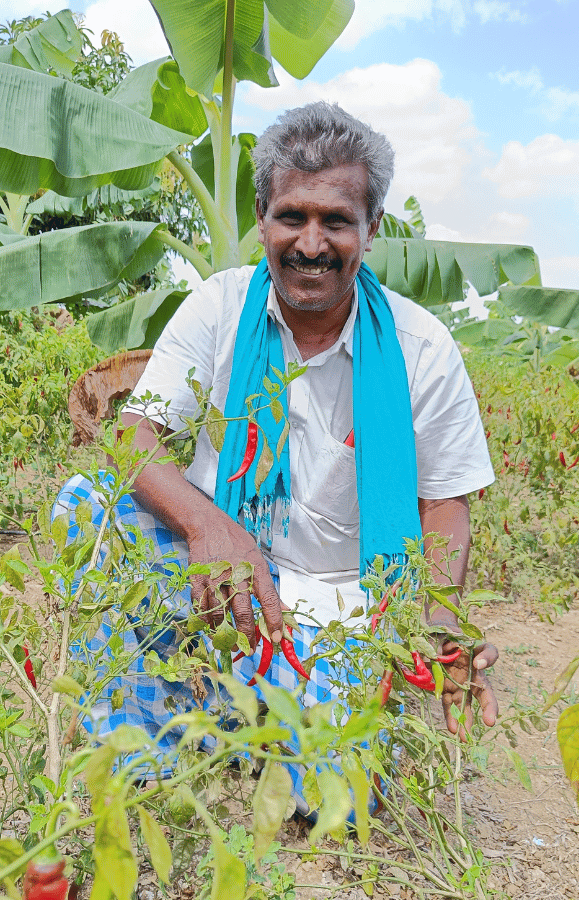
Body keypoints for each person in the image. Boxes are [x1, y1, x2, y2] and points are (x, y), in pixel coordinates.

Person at [54, 102, 498, 811]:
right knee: (89, 505)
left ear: (371, 230)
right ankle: (145, 750)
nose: (312, 243)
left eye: (337, 221)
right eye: (293, 216)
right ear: (262, 217)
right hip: (221, 577)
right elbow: (130, 437)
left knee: (335, 803)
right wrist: (208, 526)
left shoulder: (421, 348)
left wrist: (433, 624)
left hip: (345, 610)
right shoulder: (219, 307)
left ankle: (259, 710)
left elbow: (445, 506)